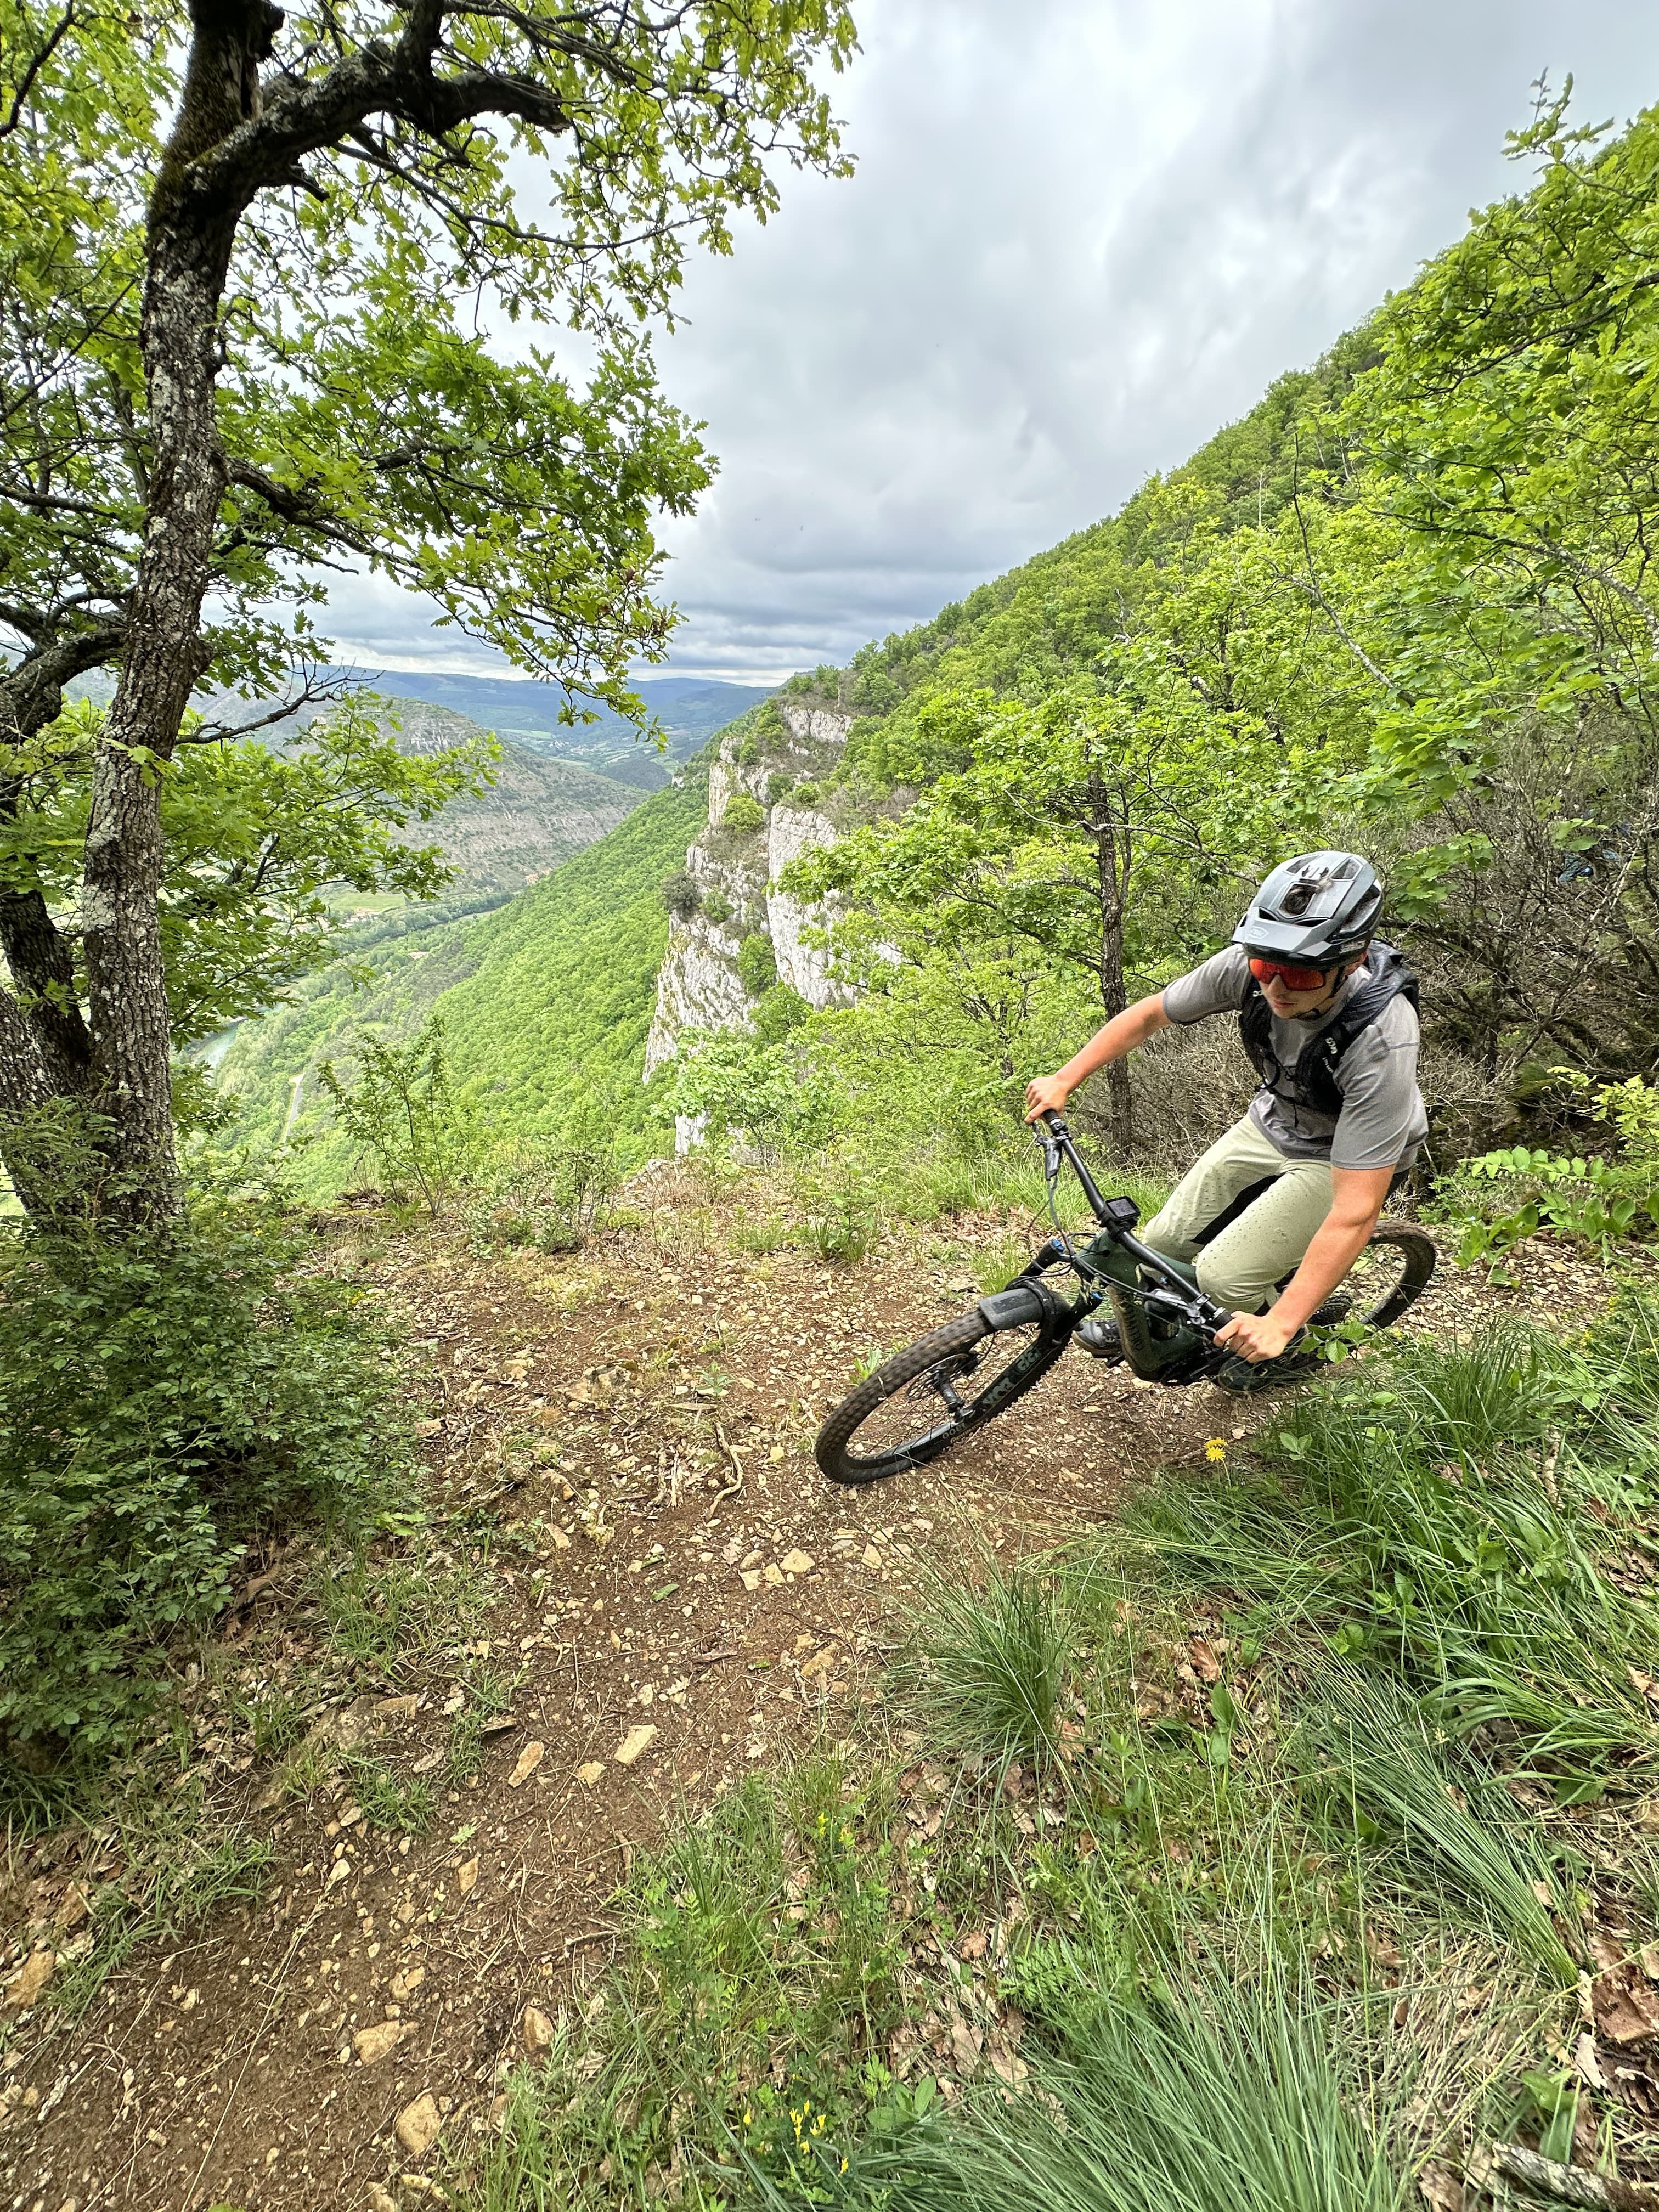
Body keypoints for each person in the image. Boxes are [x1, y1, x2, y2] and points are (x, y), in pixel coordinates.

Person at [1023, 851, 1427, 1389]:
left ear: (1349, 963)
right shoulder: (1252, 964)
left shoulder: (1380, 1038)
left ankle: (1292, 1340)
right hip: (1274, 1121)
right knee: (1165, 1242)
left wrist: (1281, 1324)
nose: (1276, 988)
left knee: (1224, 1277)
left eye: (1300, 974)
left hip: (1343, 1155)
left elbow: (1357, 1209)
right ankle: (1192, 1318)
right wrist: (1066, 1078)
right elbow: (1149, 1014)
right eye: (1266, 967)